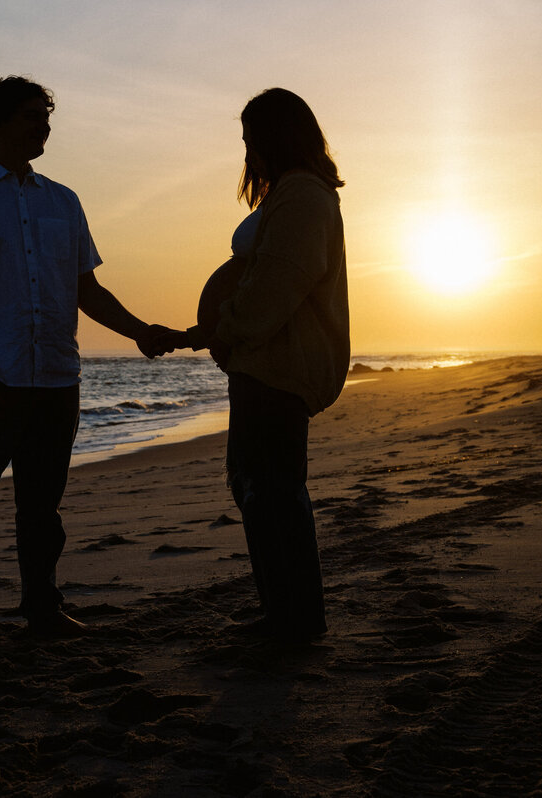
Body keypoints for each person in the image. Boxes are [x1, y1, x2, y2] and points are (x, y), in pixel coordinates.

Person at [0, 76, 172, 650]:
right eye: (31, 115)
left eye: (45, 117)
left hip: (55, 378)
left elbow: (87, 290)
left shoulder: (63, 201)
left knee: (42, 509)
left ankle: (42, 607)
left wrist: (141, 332)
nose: (43, 126)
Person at [159, 88, 349, 644]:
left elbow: (276, 286)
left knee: (272, 491)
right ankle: (284, 615)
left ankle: (294, 622)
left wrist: (225, 331)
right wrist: (217, 334)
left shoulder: (304, 197)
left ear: (275, 137)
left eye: (250, 138)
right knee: (257, 488)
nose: (246, 150)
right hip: (258, 363)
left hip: (276, 365)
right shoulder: (287, 194)